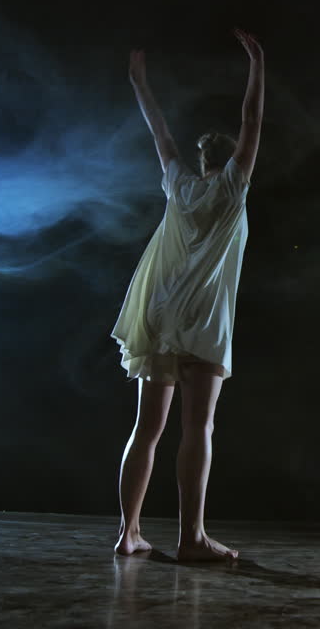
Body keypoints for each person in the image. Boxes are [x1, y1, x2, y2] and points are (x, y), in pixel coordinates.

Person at [111, 28, 264, 561]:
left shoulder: (180, 183)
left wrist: (140, 84)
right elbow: (251, 122)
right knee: (197, 426)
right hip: (202, 320)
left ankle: (128, 534)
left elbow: (161, 137)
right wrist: (258, 65)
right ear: (233, 165)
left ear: (203, 163)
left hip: (163, 312)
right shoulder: (232, 189)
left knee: (146, 428)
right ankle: (190, 538)